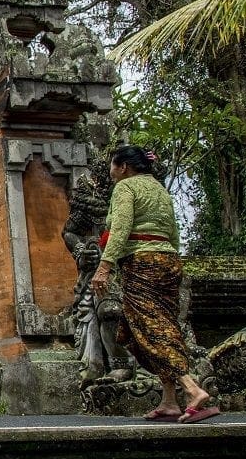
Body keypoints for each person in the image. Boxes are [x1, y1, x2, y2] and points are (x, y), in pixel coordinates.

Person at [90, 145, 217, 423]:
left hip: (142, 261)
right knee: (152, 327)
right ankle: (170, 401)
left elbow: (121, 227)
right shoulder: (159, 189)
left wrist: (104, 267)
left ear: (123, 166)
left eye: (113, 165)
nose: (111, 172)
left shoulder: (126, 187)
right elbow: (173, 231)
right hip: (168, 261)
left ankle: (192, 388)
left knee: (150, 326)